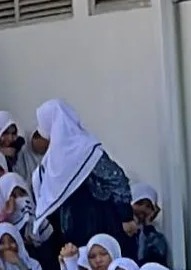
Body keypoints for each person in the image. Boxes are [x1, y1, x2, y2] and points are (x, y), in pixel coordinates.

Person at [32, 100, 133, 255]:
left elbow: (116, 179)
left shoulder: (84, 148)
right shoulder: (52, 160)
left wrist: (125, 216)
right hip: (72, 230)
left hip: (99, 222)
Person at [124, 183, 172, 268]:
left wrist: (148, 227)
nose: (143, 209)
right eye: (139, 203)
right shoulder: (116, 228)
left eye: (148, 206)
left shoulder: (154, 236)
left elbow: (156, 260)